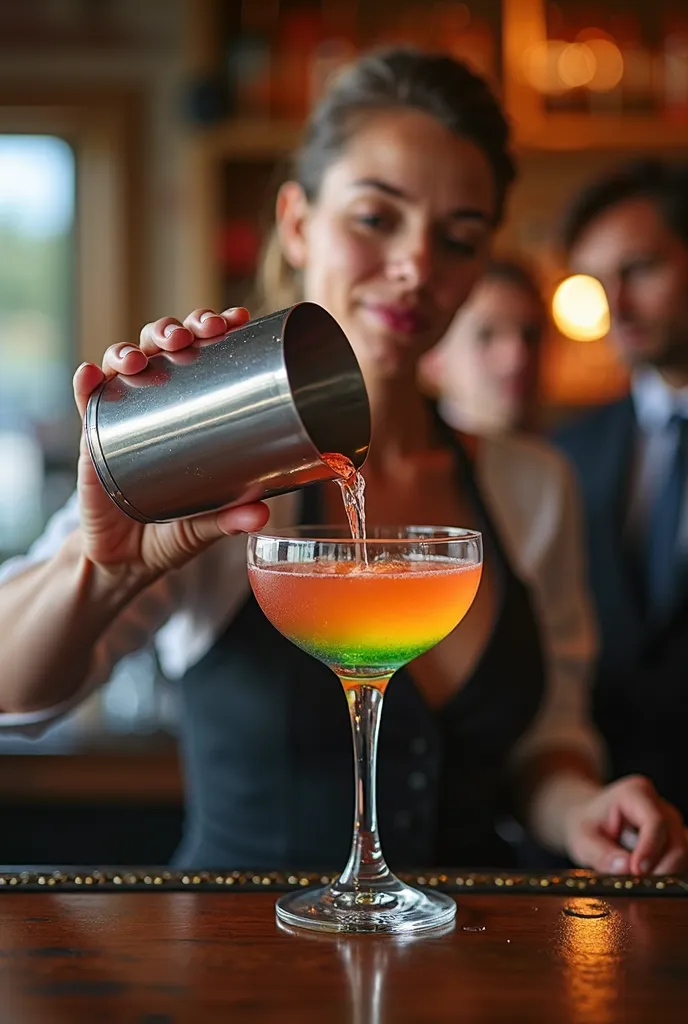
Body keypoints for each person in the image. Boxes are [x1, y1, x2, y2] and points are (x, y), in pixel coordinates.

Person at [0, 52, 684, 874]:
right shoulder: (220, 463)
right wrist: (102, 565)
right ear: (297, 224)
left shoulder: (535, 484)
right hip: (234, 971)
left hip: (465, 973)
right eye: (375, 218)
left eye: (459, 239)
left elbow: (547, 741)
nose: (417, 266)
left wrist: (582, 810)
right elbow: (15, 700)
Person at [553, 159, 688, 826]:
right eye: (598, 283)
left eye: (639, 270)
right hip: (604, 831)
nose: (617, 306)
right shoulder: (569, 452)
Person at [420, 257, 546, 435]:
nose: (517, 357)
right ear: (430, 356)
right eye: (486, 335)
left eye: (531, 335)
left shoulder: (567, 455)